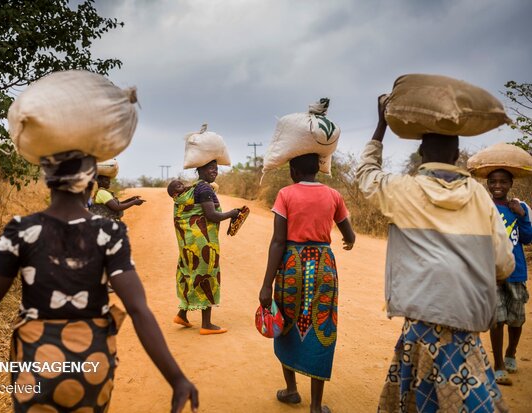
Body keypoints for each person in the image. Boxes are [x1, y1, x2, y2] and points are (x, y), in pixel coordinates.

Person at [0, 151, 198, 413]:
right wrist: (176, 378)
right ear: (92, 183)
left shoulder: (20, 231)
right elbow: (138, 309)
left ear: (48, 179)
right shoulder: (109, 232)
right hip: (92, 365)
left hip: (36, 364)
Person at [355, 96, 515, 412]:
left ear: (421, 154)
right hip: (465, 323)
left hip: (420, 325)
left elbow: (366, 175)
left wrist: (381, 125)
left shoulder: (403, 190)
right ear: (458, 155)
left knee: (417, 400)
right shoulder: (480, 198)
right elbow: (504, 263)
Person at [259, 153, 355, 413]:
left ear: (293, 170)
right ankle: (315, 406)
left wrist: (267, 284)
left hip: (292, 267)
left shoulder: (286, 194)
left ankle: (291, 391)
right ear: (319, 168)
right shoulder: (333, 195)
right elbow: (349, 232)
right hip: (324, 267)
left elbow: (278, 241)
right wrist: (349, 239)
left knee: (287, 323)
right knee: (321, 326)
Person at [172, 160, 239, 334]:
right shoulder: (204, 189)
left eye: (216, 169)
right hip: (202, 243)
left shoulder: (195, 188)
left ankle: (182, 315)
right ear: (200, 169)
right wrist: (232, 214)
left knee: (190, 275)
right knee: (206, 276)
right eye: (210, 168)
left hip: (190, 244)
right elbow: (211, 216)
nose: (214, 171)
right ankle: (206, 325)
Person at [485, 168, 532, 386]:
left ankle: (511, 353)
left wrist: (522, 217)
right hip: (492, 272)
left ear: (511, 184)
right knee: (497, 318)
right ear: (487, 183)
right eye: (493, 181)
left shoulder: (520, 208)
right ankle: (498, 365)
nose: (498, 186)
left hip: (516, 272)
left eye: (503, 182)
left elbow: (527, 238)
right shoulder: (484, 207)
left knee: (516, 318)